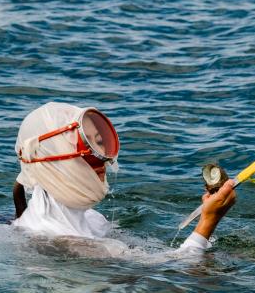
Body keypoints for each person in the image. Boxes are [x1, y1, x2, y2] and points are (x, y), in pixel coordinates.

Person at [12, 101, 236, 256]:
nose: (100, 156)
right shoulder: (63, 241)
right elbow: (174, 275)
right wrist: (209, 221)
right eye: (84, 145)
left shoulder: (91, 219)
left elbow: (149, 253)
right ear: (52, 158)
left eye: (99, 142)